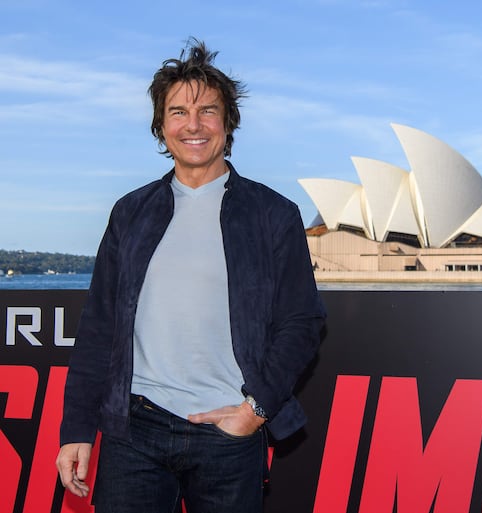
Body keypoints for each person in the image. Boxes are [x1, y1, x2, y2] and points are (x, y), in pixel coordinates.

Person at [55, 38, 326, 512]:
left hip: (228, 434)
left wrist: (252, 412)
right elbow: (99, 328)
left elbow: (302, 322)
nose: (193, 125)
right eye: (178, 112)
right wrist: (77, 429)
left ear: (228, 122)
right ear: (161, 127)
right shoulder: (130, 212)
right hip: (134, 432)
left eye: (207, 111)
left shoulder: (273, 214)